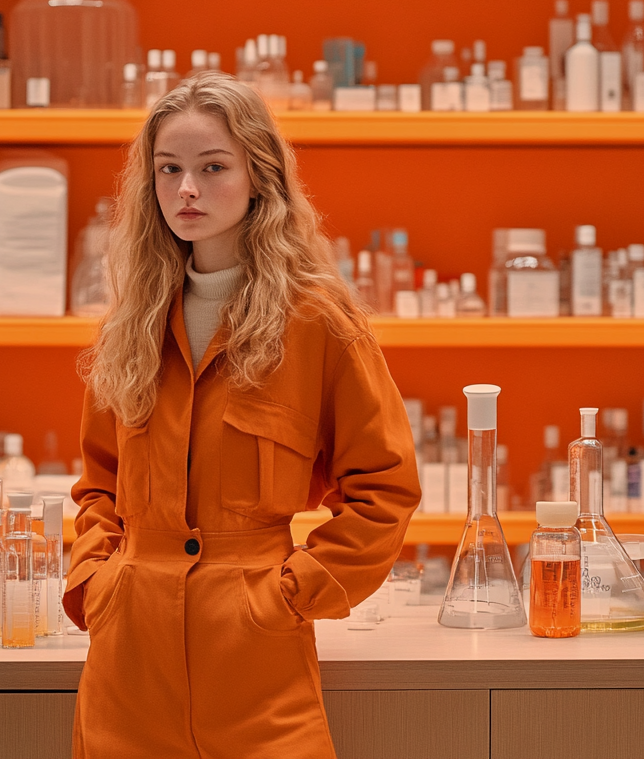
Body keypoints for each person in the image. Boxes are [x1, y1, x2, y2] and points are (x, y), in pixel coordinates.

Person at [64, 73, 420, 759]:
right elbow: (97, 487)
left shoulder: (318, 322)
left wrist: (290, 594)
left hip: (258, 666)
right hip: (127, 671)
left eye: (212, 167)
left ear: (260, 177)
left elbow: (385, 490)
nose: (187, 190)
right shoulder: (131, 323)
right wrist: (97, 583)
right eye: (169, 170)